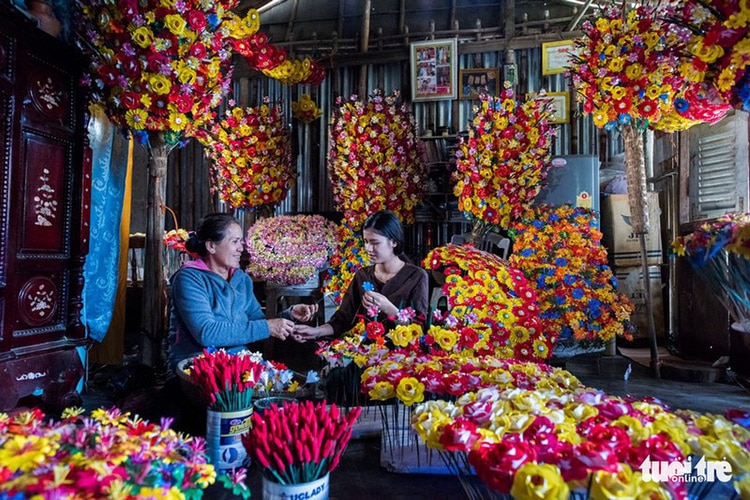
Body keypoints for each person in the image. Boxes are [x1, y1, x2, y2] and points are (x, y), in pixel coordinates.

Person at [168, 213, 318, 371]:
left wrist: (288, 319)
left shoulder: (241, 280)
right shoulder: (189, 279)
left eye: (241, 241)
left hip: (238, 361)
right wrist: (268, 327)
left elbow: (257, 323)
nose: (241, 248)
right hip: (197, 364)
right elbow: (207, 333)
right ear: (211, 246)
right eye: (234, 241)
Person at [293, 210, 429, 342]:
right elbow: (343, 320)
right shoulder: (363, 275)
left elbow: (420, 329)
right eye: (366, 241)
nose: (369, 249)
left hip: (406, 357)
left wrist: (390, 309)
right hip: (370, 355)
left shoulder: (416, 277)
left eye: (375, 243)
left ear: (394, 242)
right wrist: (315, 332)